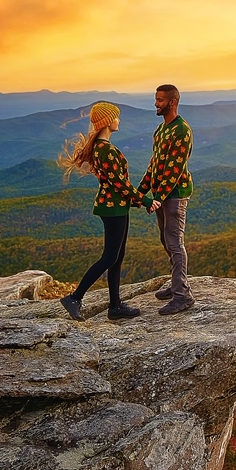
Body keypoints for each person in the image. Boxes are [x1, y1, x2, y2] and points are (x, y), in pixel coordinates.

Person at [56, 102, 146, 322]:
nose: (119, 120)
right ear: (108, 121)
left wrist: (134, 201)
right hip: (112, 208)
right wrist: (146, 200)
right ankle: (74, 298)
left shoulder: (100, 147)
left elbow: (118, 185)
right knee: (109, 257)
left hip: (115, 206)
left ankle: (115, 306)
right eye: (116, 117)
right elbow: (120, 184)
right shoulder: (105, 150)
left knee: (117, 257)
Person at [138, 83, 195, 315]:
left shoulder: (182, 130)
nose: (156, 103)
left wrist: (159, 198)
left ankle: (182, 296)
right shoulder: (161, 130)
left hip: (175, 195)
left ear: (172, 102)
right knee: (166, 240)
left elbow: (174, 169)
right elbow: (155, 164)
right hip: (162, 195)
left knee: (174, 242)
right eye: (156, 99)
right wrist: (141, 191)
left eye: (160, 100)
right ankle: (176, 285)